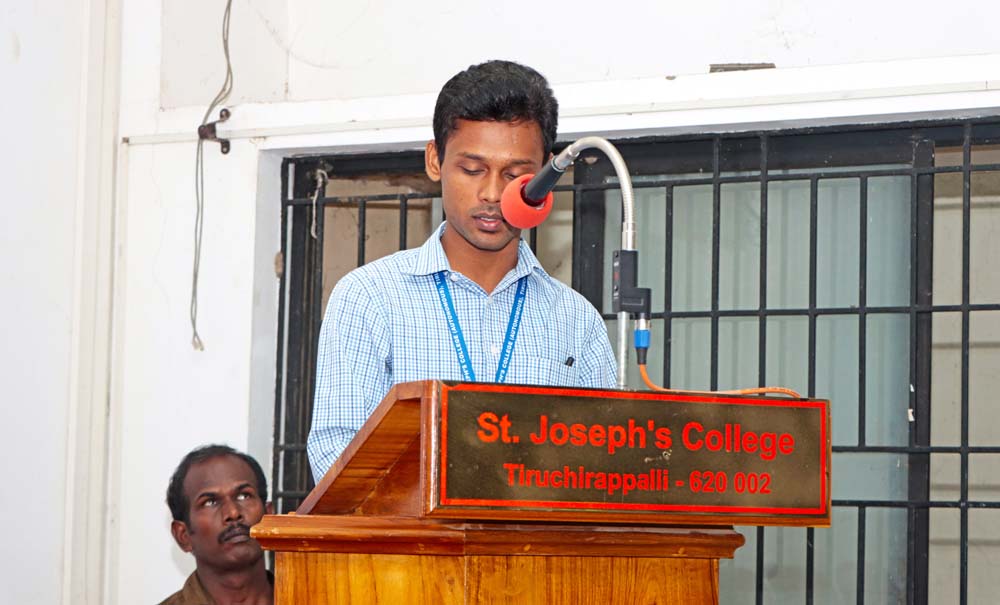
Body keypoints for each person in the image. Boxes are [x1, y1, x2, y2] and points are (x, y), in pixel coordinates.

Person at [307, 60, 617, 480]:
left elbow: (602, 467)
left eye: (515, 175)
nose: (491, 193)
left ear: (546, 175)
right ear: (435, 160)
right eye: (472, 170)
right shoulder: (369, 299)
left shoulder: (577, 321)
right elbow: (337, 458)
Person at [160, 445, 274, 605]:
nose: (233, 512)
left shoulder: (306, 597)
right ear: (183, 536)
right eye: (210, 502)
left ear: (269, 516)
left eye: (244, 496)